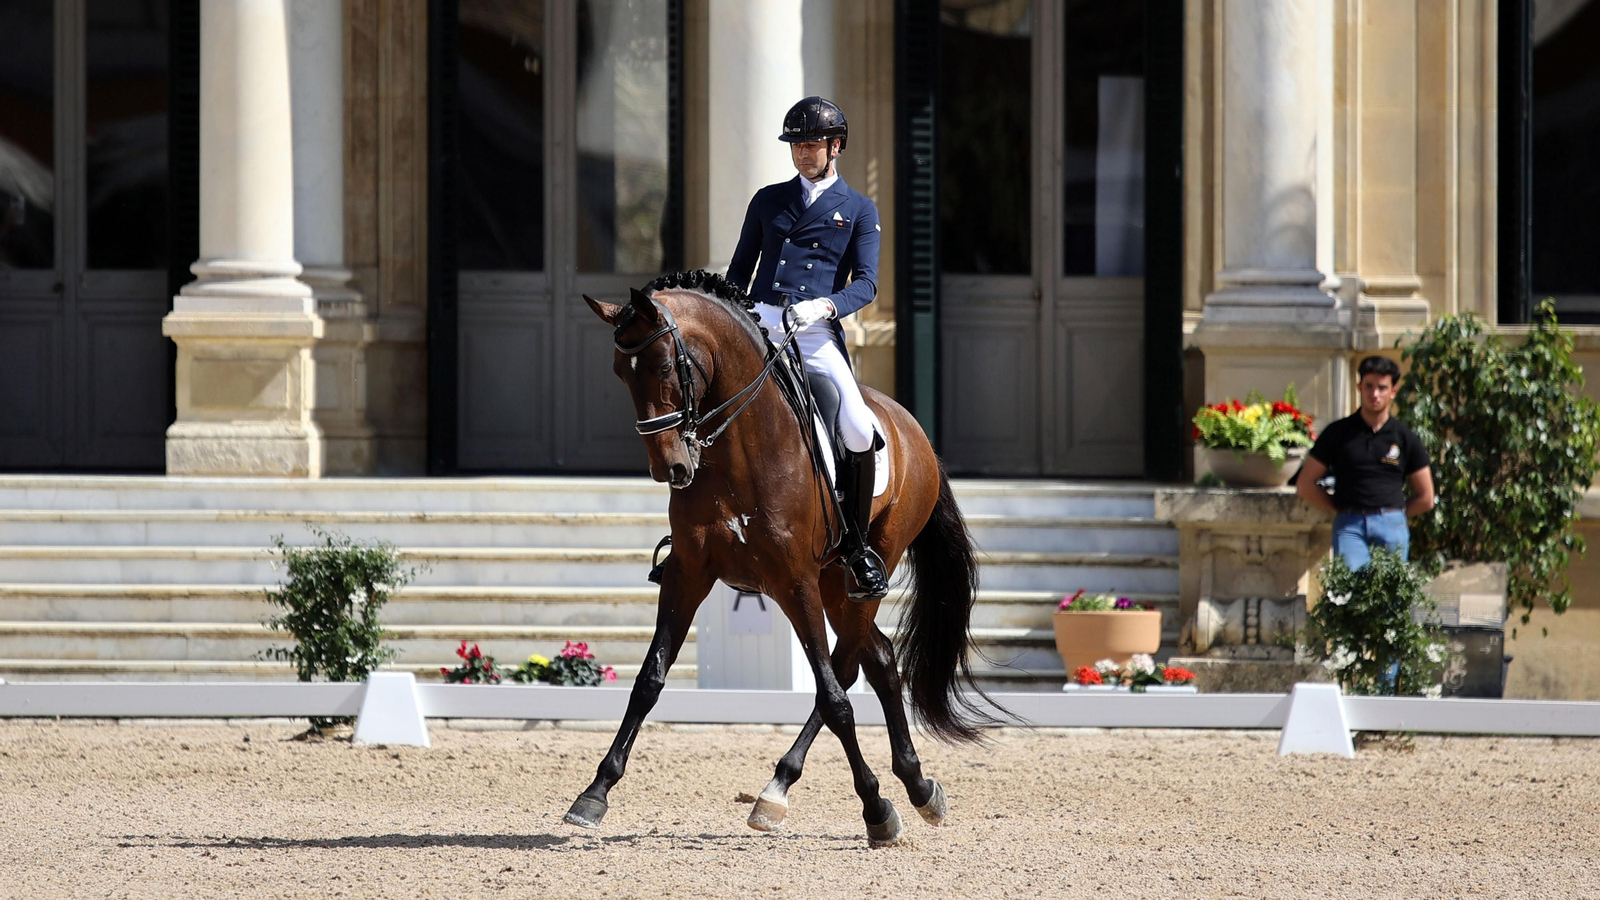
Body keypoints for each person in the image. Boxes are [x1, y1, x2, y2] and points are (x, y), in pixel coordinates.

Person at [725, 96, 888, 601]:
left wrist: (825, 307)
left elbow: (866, 285)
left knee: (860, 429)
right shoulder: (768, 200)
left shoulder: (859, 209)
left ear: (835, 146)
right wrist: (739, 316)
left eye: (811, 144)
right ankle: (690, 533)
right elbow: (738, 274)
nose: (801, 153)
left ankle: (857, 546)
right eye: (796, 144)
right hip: (761, 323)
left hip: (814, 332)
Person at [1296, 356, 1436, 569]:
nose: (1375, 394)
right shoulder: (1337, 433)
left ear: (1393, 392)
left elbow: (1426, 497)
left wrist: (1395, 515)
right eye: (1369, 386)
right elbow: (1306, 484)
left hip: (1392, 524)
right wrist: (1338, 507)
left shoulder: (1405, 437)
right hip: (1350, 525)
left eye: (1382, 387)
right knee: (1351, 594)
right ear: (1359, 387)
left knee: (1390, 597)